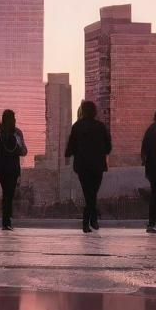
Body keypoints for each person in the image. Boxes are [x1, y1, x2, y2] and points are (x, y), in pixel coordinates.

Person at [65, 100, 112, 233]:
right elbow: (108, 147)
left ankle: (88, 222)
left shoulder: (77, 126)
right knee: (92, 193)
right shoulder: (101, 127)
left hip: (82, 166)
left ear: (83, 111)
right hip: (98, 165)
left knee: (88, 193)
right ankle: (92, 220)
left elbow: (70, 148)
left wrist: (71, 153)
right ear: (95, 111)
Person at [0, 109, 27, 230]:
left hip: (1, 168)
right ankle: (7, 221)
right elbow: (24, 151)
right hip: (13, 168)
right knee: (9, 194)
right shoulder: (17, 133)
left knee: (6, 193)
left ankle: (6, 221)